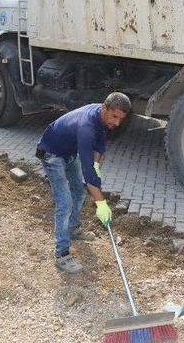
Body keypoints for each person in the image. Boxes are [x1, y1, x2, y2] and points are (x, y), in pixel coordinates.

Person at [36, 92, 131, 273]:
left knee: (78, 193)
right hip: (52, 154)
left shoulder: (103, 118)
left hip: (69, 152)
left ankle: (73, 228)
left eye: (121, 119)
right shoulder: (86, 127)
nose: (117, 123)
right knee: (65, 202)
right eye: (114, 116)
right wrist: (101, 203)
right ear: (104, 108)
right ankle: (61, 254)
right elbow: (88, 176)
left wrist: (96, 164)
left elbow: (100, 145)